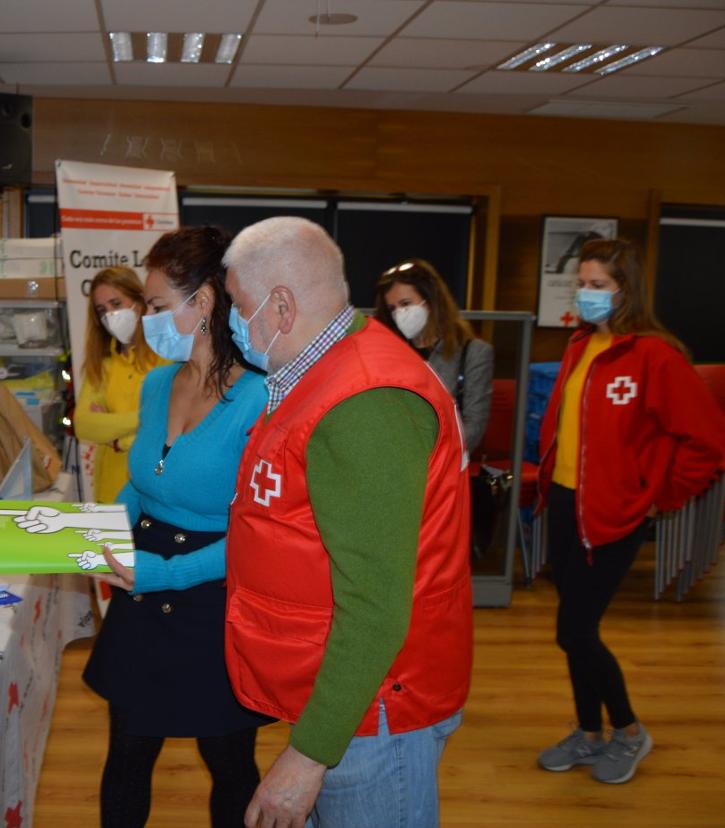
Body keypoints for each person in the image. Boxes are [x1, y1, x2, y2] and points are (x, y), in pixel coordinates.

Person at [220, 216, 472, 828]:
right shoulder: (321, 368)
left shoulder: (365, 402)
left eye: (236, 304)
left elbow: (378, 604)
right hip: (342, 696)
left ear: (281, 305)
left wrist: (309, 755)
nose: (230, 321)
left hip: (376, 709)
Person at [81, 226, 272, 828]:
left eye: (159, 307)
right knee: (128, 756)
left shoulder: (261, 399)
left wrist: (166, 572)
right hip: (143, 590)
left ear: (206, 301)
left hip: (215, 593)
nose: (147, 320)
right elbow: (142, 483)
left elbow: (262, 531)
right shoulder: (159, 383)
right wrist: (98, 530)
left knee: (230, 762)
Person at [535, 239, 725, 784]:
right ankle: (588, 733)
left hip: (614, 514)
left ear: (626, 291)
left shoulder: (654, 355)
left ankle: (628, 731)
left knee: (575, 630)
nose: (587, 294)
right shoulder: (579, 345)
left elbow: (708, 439)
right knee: (572, 627)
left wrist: (658, 494)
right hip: (567, 502)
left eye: (600, 285)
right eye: (583, 283)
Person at [374, 258, 494, 450]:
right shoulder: (388, 352)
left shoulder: (473, 353)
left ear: (431, 301)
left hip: (444, 462)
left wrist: (431, 457)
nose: (399, 313)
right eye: (392, 308)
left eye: (405, 303)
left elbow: (474, 426)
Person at [73, 266, 166, 504]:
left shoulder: (166, 356)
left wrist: (116, 438)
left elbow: (172, 424)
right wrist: (145, 418)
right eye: (102, 309)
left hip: (155, 490)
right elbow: (83, 425)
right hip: (110, 490)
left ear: (139, 301)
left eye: (116, 303)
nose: (110, 315)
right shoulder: (101, 364)